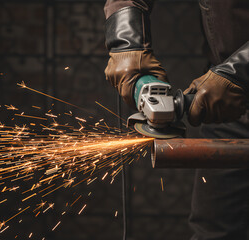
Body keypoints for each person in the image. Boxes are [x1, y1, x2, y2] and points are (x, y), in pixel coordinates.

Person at [103, 0, 249, 239]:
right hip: (228, 103)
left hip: (231, 85)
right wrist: (127, 46)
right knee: (214, 230)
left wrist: (240, 74)